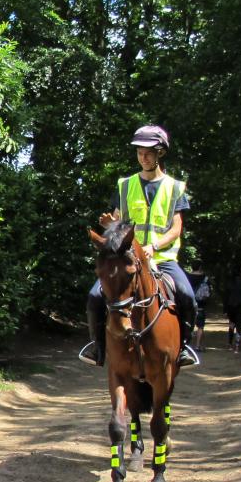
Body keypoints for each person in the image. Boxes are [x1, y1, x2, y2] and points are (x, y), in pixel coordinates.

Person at [79, 125, 199, 367]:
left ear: (160, 154)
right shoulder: (125, 185)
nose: (143, 158)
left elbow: (176, 228)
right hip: (128, 258)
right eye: (139, 153)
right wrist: (113, 225)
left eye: (148, 153)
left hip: (163, 259)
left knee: (188, 296)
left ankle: (183, 348)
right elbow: (117, 221)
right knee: (94, 296)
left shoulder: (175, 188)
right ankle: (98, 348)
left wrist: (154, 247)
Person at [223, 266, 241, 353]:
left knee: (231, 324)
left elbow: (225, 297)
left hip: (230, 307)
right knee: (239, 325)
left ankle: (229, 344)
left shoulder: (229, 283)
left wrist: (224, 310)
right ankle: (237, 346)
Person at [187, 260, 210, 351]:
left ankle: (187, 345)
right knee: (200, 326)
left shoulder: (187, 277)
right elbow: (208, 292)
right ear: (200, 267)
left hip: (189, 304)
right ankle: (197, 346)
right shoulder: (205, 277)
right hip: (201, 305)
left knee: (188, 325)